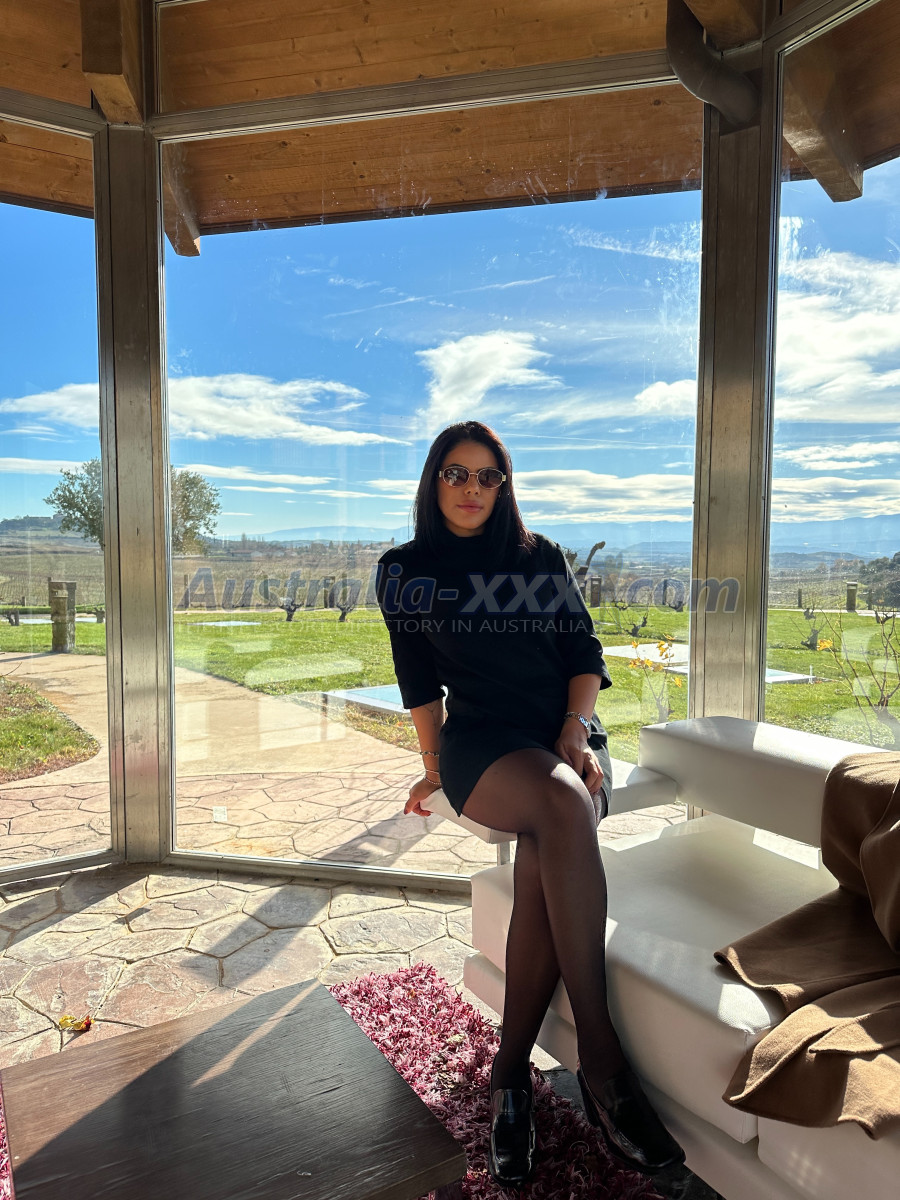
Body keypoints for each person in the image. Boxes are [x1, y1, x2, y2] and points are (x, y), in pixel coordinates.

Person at [376, 420, 684, 1186]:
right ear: (433, 480)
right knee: (561, 806)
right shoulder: (404, 570)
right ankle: (604, 1065)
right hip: (484, 743)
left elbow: (584, 653)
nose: (473, 489)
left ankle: (509, 1074)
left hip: (566, 731)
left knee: (554, 827)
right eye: (457, 473)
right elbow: (418, 684)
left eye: (488, 476)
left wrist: (577, 729)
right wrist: (432, 767)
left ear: (504, 485)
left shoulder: (538, 556)